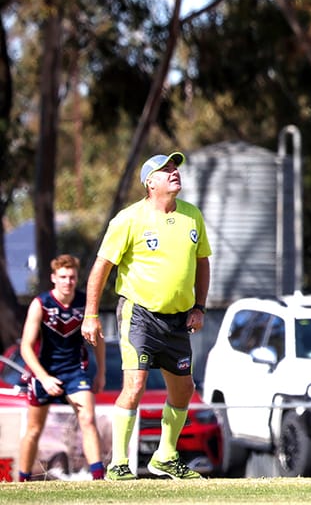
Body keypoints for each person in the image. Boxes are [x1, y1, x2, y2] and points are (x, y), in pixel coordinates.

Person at [81, 151, 211, 480]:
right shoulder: (129, 219)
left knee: (184, 389)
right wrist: (91, 314)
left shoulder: (192, 216)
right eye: (166, 170)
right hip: (139, 314)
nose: (174, 173)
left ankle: (165, 456)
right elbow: (101, 267)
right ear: (150, 183)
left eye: (175, 168)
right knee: (135, 384)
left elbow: (203, 262)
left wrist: (200, 307)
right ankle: (119, 463)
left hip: (179, 319)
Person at [17, 254, 106, 481]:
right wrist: (44, 378)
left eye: (72, 277)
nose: (68, 281)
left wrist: (101, 373)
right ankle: (23, 479)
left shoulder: (85, 304)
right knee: (34, 429)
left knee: (87, 419)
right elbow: (26, 347)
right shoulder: (41, 304)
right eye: (63, 277)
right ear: (53, 278)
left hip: (75, 371)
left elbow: (98, 339)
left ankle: (98, 478)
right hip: (44, 371)